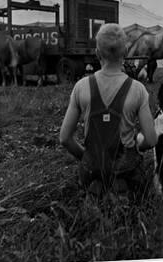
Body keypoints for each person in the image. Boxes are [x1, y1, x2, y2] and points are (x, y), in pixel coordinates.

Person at [59, 23, 157, 196]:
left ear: (97, 54)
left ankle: (96, 185)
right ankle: (121, 188)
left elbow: (65, 138)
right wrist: (137, 145)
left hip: (91, 168)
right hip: (126, 169)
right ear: (125, 53)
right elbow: (150, 139)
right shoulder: (138, 89)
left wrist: (86, 157)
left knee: (90, 176)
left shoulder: (81, 87)